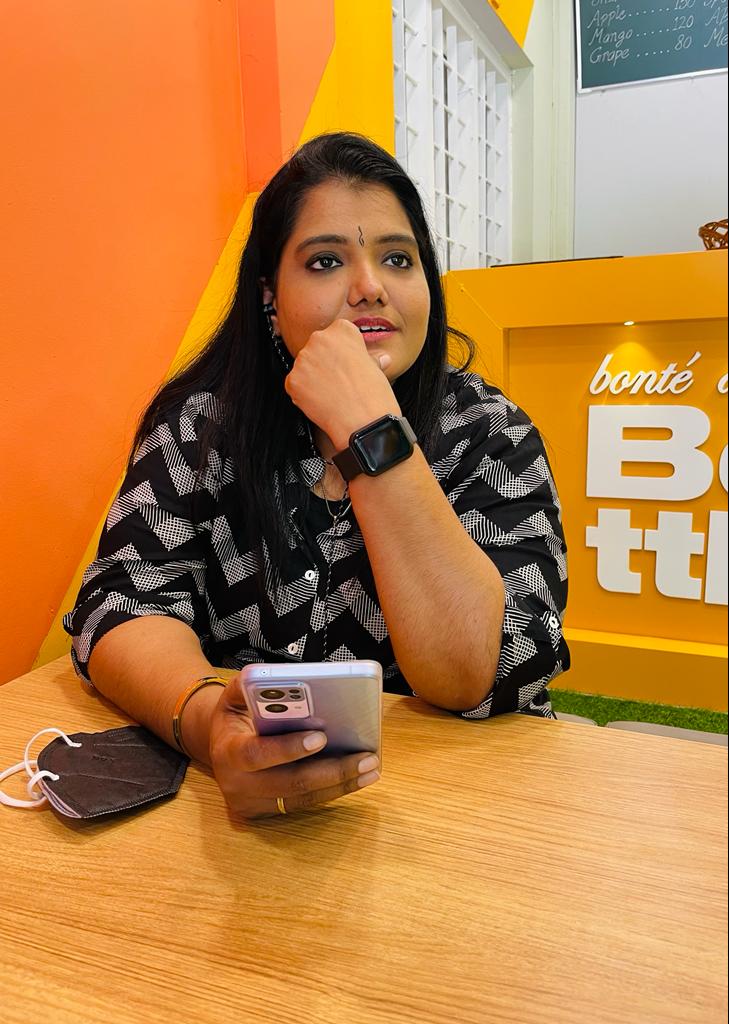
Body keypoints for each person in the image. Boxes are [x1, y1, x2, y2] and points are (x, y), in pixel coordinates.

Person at [64, 132, 569, 819]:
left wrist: (370, 430)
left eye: (398, 259)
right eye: (326, 261)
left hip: (464, 813)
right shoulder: (200, 427)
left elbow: (474, 672)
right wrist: (212, 725)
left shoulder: (490, 433)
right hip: (240, 812)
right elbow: (123, 605)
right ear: (270, 297)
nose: (370, 287)